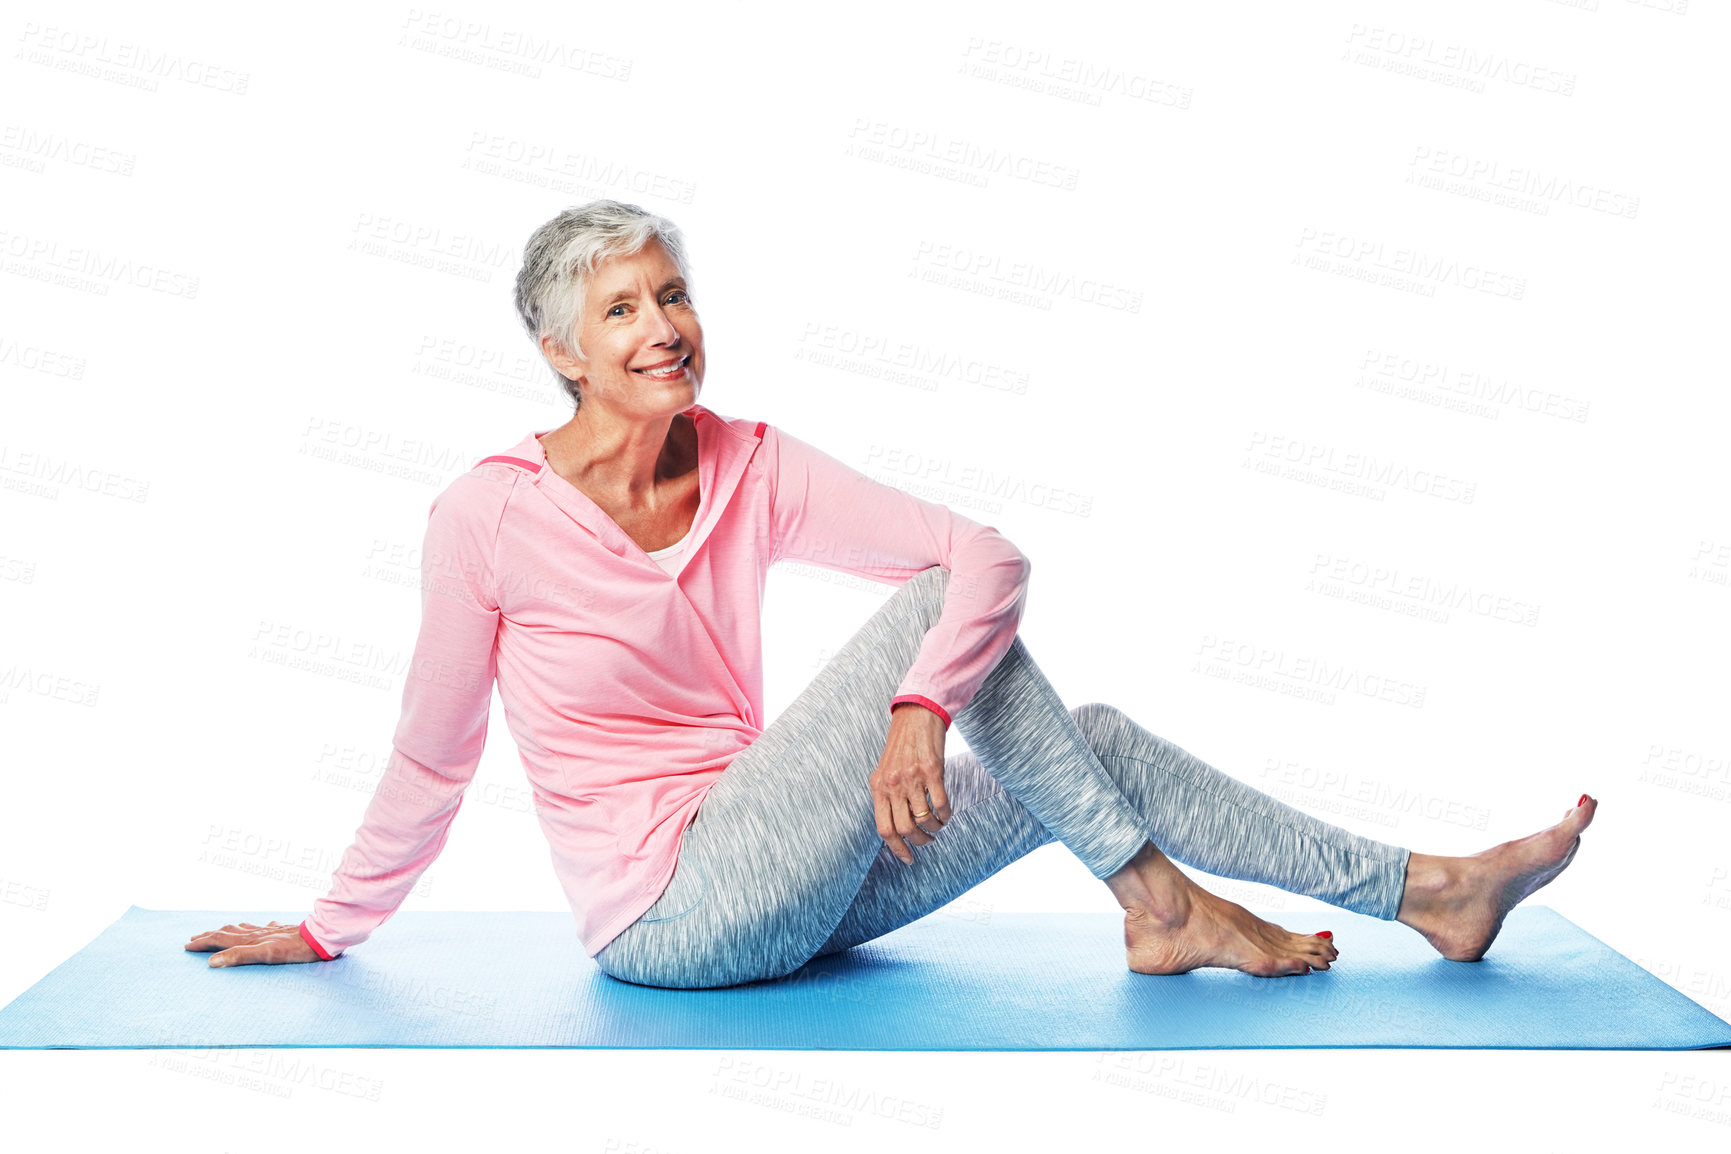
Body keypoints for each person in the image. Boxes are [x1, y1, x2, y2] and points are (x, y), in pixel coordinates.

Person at [186, 200, 1597, 988]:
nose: (666, 327)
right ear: (560, 350)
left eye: (673, 294)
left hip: (798, 872)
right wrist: (330, 923)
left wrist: (921, 708)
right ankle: (1162, 898)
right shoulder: (486, 516)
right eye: (623, 309)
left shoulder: (751, 460)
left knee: (1077, 731)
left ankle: (1432, 889)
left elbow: (990, 554)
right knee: (940, 629)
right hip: (670, 916)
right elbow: (434, 753)